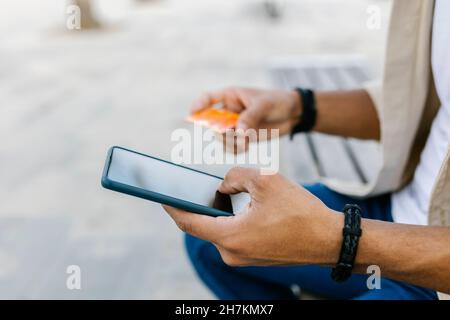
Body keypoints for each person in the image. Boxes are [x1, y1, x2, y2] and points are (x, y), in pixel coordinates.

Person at [163, 0, 450, 300]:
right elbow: (427, 103)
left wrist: (339, 240)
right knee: (210, 238)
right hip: (396, 209)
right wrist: (298, 108)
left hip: (433, 278)